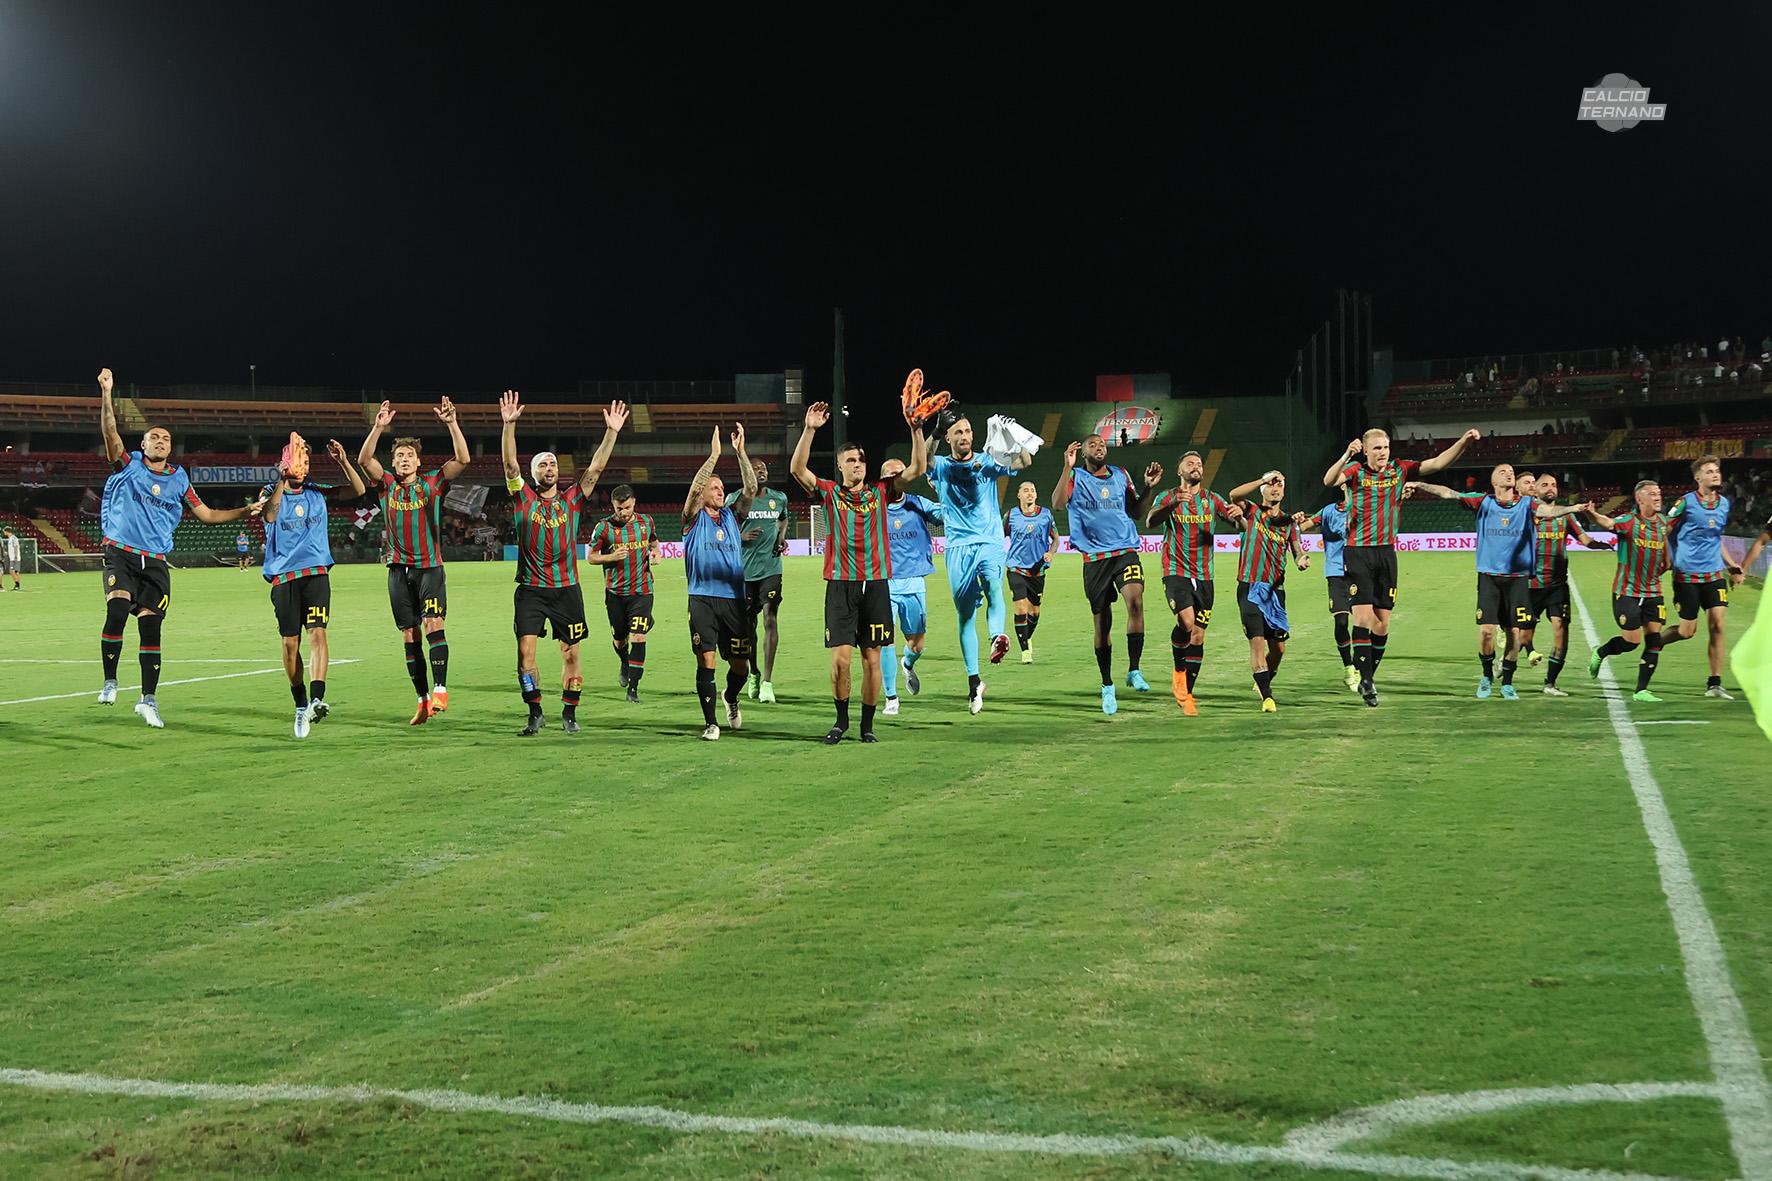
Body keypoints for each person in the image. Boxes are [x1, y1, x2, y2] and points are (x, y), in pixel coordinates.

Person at [95, 367, 263, 727]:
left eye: (166, 439)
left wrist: (246, 510)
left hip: (155, 562)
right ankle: (110, 681)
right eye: (153, 437)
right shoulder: (127, 465)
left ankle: (148, 700)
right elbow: (110, 432)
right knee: (118, 611)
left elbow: (206, 515)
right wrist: (107, 393)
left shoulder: (180, 478)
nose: (160, 441)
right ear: (142, 445)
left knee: (151, 630)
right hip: (121, 553)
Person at [790, 386, 927, 743]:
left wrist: (915, 428)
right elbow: (797, 468)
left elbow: (918, 468)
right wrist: (810, 429)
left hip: (877, 583)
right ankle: (841, 721)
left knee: (872, 658)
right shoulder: (830, 493)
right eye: (851, 460)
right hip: (840, 584)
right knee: (840, 661)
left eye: (861, 460)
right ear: (839, 465)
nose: (858, 464)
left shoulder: (881, 490)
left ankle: (867, 726)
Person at [1323, 426, 1480, 706]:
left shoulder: (1400, 470)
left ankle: (1367, 672)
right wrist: (1347, 453)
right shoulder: (1356, 471)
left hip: (1387, 554)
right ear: (1366, 451)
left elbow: (1438, 462)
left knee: (1382, 624)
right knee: (1362, 618)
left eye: (1386, 447)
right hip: (1358, 552)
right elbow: (1329, 480)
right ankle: (1367, 681)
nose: (1383, 453)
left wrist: (1464, 442)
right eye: (1377, 448)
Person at [500, 390, 627, 736]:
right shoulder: (522, 497)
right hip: (530, 590)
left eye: (553, 463)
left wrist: (612, 432)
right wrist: (508, 425)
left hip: (567, 590)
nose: (550, 467)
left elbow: (597, 467)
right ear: (533, 472)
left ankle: (570, 714)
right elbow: (510, 465)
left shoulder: (573, 499)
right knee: (524, 655)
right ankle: (535, 711)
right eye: (543, 464)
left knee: (571, 655)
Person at [1411, 465, 1591, 700]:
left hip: (1517, 579)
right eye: (1502, 471)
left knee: (1514, 633)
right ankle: (1486, 676)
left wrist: (1574, 508)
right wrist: (1418, 484)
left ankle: (1507, 682)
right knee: (1486, 632)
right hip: (1489, 577)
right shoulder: (1482, 501)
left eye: (1511, 471)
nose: (1508, 472)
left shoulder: (1527, 505)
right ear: (1493, 480)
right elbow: (1448, 493)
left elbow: (1548, 512)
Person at [357, 397, 471, 724]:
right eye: (399, 455)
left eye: (410, 455)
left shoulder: (433, 483)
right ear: (393, 463)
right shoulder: (386, 485)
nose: (404, 459)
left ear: (419, 462)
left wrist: (451, 423)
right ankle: (421, 699)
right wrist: (378, 427)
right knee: (409, 635)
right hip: (397, 571)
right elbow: (365, 458)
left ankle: (440, 690)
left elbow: (463, 458)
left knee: (434, 624)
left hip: (429, 568)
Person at [923, 399, 1035, 712]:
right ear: (949, 437)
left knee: (995, 588)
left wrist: (1013, 434)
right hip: (958, 546)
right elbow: (922, 460)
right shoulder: (943, 466)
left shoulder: (987, 461)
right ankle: (974, 682)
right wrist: (935, 429)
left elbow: (1024, 461)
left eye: (968, 431)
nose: (964, 436)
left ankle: (998, 637)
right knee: (965, 615)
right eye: (957, 432)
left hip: (988, 540)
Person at [260, 434, 367, 737]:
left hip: (317, 572)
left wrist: (344, 462)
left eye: (307, 461)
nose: (304, 466)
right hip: (284, 577)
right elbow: (269, 515)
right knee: (289, 644)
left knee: (318, 633)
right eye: (299, 459)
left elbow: (358, 490)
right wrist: (281, 480)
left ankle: (317, 698)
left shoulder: (317, 492)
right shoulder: (270, 491)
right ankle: (299, 704)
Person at [1052, 433, 1164, 715]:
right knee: (1102, 624)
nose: (1099, 447)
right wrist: (1067, 466)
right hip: (1095, 559)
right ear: (1083, 452)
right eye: (1093, 445)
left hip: (1125, 551)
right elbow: (1057, 503)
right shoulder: (1076, 476)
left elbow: (1137, 511)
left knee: (1136, 602)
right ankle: (1107, 685)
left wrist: (1148, 489)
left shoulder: (1120, 475)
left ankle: (1134, 670)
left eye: (1102, 444)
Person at [1144, 450, 1243, 715]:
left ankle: (1187, 692)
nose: (1196, 467)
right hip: (1175, 570)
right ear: (1180, 471)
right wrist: (1172, 504)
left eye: (1199, 464)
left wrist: (1239, 515)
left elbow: (1239, 525)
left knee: (1198, 636)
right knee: (1186, 623)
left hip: (1206, 575)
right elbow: (1150, 521)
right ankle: (1178, 670)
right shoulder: (1168, 495)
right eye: (1190, 463)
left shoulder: (1212, 499)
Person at [683, 424, 759, 740]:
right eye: (713, 487)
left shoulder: (730, 516)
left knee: (740, 666)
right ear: (702, 493)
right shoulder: (692, 518)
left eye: (721, 487)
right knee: (707, 659)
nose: (719, 490)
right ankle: (711, 722)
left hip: (733, 600)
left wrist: (740, 453)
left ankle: (730, 697)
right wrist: (714, 455)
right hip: (701, 597)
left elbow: (751, 489)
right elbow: (693, 490)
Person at [1660, 455, 1748, 698]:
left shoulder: (1724, 504)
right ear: (1697, 477)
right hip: (1686, 575)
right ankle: (1655, 642)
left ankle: (1715, 683)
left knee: (1718, 626)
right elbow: (1664, 529)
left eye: (1717, 471)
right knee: (1687, 631)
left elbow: (1716, 539)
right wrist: (1665, 558)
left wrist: (1731, 566)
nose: (1715, 474)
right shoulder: (1684, 502)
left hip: (1713, 575)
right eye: (1709, 471)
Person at [1516, 472, 1611, 696]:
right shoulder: (1527, 514)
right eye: (1545, 485)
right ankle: (1506, 661)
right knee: (1523, 637)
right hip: (1531, 584)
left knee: (1561, 629)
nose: (1550, 488)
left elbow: (1584, 539)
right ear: (1535, 490)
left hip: (1557, 586)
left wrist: (1599, 545)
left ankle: (1550, 683)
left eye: (1554, 485)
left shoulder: (1565, 517)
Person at [1584, 480, 1674, 703]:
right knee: (1631, 642)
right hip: (1627, 591)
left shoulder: (1662, 521)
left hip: (1654, 591)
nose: (1657, 496)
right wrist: (1592, 514)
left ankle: (1641, 690)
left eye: (1659, 493)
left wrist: (1668, 560)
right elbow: (1608, 523)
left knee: (1654, 641)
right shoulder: (1629, 521)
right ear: (1640, 499)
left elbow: (1663, 540)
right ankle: (1601, 652)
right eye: (1652, 493)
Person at [1225, 472, 1304, 711]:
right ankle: (1267, 697)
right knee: (1257, 642)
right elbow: (1233, 495)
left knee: (1278, 648)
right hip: (1249, 586)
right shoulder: (1251, 510)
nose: (1275, 488)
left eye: (1279, 484)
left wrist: (1301, 559)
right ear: (1263, 490)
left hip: (1275, 591)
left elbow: (1297, 549)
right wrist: (1262, 479)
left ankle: (1263, 680)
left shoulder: (1288, 523)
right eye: (1271, 484)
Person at [880, 460, 942, 715]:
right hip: (883, 581)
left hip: (914, 579)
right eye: (889, 475)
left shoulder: (918, 503)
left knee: (916, 644)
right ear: (882, 479)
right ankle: (890, 697)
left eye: (899, 473)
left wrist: (941, 489)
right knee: (884, 641)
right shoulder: (874, 507)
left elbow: (945, 515)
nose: (895, 478)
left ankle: (908, 664)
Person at [727, 458, 792, 703]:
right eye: (755, 469)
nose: (761, 471)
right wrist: (740, 536)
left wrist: (781, 536)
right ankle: (753, 672)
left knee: (770, 620)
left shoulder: (779, 498)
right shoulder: (735, 499)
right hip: (743, 572)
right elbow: (723, 529)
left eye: (763, 468)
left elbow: (783, 519)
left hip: (771, 569)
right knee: (747, 627)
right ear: (746, 474)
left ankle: (767, 681)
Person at [588, 485, 660, 704]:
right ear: (613, 505)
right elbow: (591, 557)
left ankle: (633, 688)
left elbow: (654, 541)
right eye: (619, 508)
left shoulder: (646, 522)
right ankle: (624, 661)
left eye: (627, 507)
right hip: (615, 594)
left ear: (634, 503)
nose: (623, 512)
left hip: (642, 591)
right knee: (620, 640)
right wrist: (611, 557)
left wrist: (656, 551)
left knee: (638, 636)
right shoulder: (604, 528)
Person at [1295, 494, 1358, 691]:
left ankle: (1360, 665)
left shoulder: (1363, 506)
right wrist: (1299, 542)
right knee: (1341, 621)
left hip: (1360, 570)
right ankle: (1349, 668)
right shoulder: (1328, 511)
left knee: (1364, 623)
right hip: (1336, 572)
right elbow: (1301, 528)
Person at [1005, 481, 1057, 664]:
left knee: (1034, 613)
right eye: (1025, 490)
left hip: (1037, 570)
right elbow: (997, 535)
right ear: (1018, 495)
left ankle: (1027, 637)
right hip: (1015, 567)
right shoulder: (1010, 515)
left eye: (1032, 490)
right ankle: (1025, 650)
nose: (1030, 493)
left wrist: (1050, 552)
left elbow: (1056, 538)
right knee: (1020, 608)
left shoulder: (1045, 515)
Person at [1, 525, 20, 590]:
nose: (4, 533)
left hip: (14, 558)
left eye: (4, 532)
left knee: (12, 571)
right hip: (12, 558)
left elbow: (16, 547)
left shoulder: (14, 538)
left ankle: (17, 584)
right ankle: (17, 585)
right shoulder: (10, 538)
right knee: (15, 572)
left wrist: (15, 556)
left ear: (7, 531)